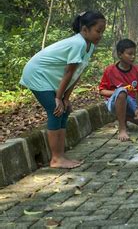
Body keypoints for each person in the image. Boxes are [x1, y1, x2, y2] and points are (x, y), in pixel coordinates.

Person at [20, 11, 106, 169]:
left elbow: (76, 74)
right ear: (85, 30)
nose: (100, 35)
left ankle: (60, 155)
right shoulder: (78, 43)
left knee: (65, 110)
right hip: (36, 73)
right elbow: (68, 71)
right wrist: (58, 98)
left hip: (48, 77)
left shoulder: (90, 46)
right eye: (98, 31)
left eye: (102, 32)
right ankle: (56, 159)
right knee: (55, 109)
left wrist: (66, 98)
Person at [99, 39, 138, 141]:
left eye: (134, 54)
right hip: (113, 103)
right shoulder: (110, 70)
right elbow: (102, 91)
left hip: (131, 103)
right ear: (120, 54)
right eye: (130, 54)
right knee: (122, 92)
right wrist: (118, 92)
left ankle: (126, 117)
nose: (133, 57)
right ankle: (122, 128)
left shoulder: (137, 70)